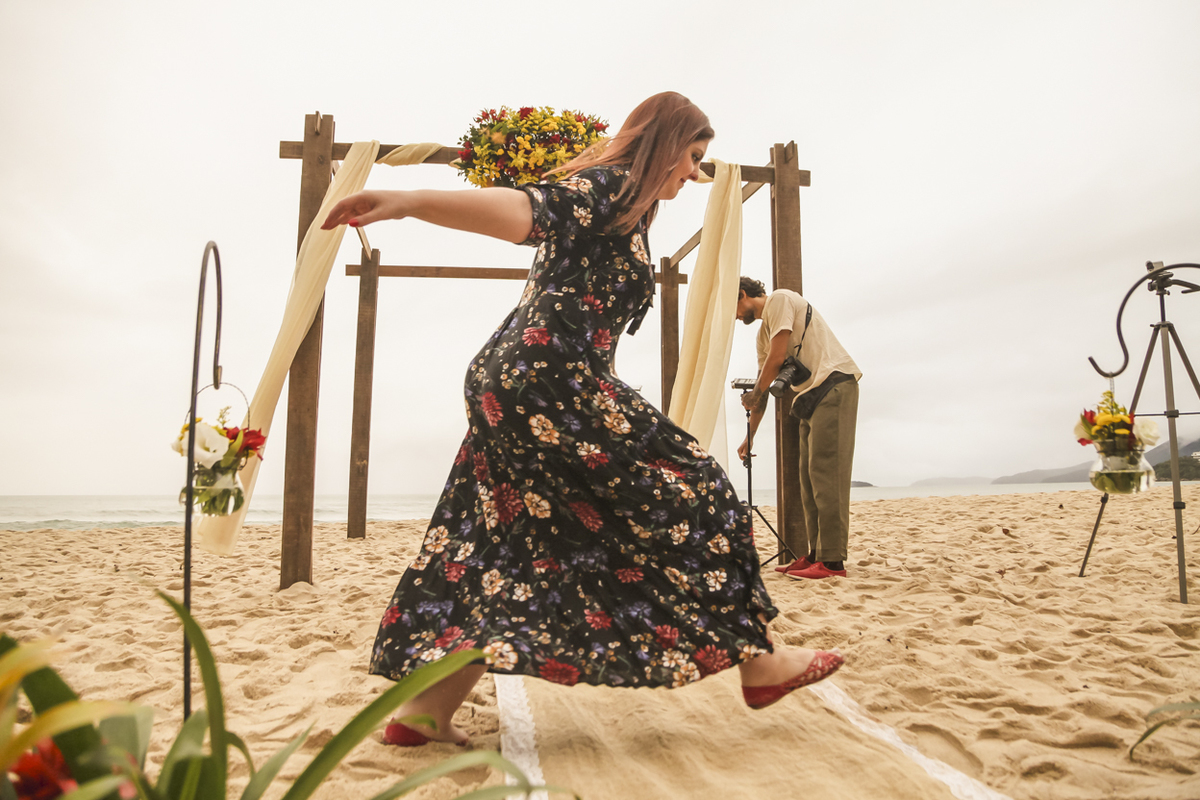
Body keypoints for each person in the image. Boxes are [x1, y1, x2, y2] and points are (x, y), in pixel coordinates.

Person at [322, 92, 843, 747]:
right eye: (693, 157)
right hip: (553, 379)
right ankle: (761, 662)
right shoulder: (610, 187)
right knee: (698, 484)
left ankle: (422, 713)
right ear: (666, 143)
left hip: (513, 381)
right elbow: (526, 210)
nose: (696, 174)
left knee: (500, 541)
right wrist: (409, 202)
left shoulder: (629, 208)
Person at [735, 276, 861, 581]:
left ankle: (832, 563)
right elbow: (762, 391)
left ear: (742, 295)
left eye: (734, 310)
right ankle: (816, 554)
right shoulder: (762, 335)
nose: (736, 318)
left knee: (826, 474)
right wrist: (748, 436)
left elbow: (776, 361)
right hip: (810, 397)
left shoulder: (780, 300)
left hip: (833, 384)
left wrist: (755, 393)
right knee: (808, 478)